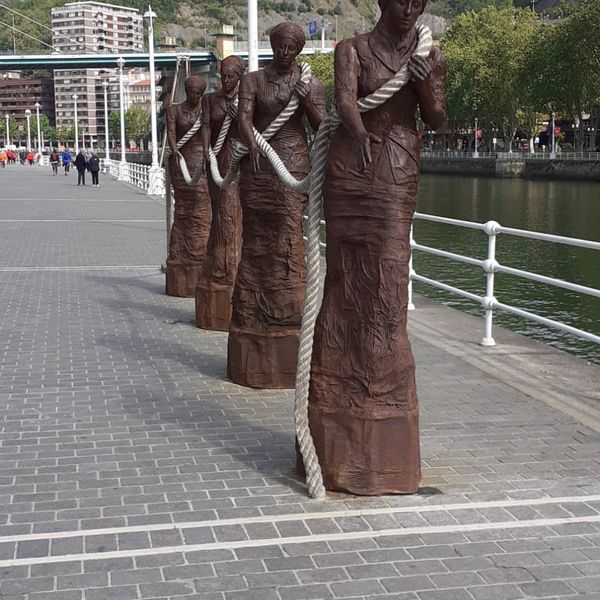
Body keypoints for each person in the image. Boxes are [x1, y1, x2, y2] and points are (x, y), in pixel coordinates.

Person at [306, 0, 446, 494]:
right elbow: (345, 100)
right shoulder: (352, 50)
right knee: (345, 276)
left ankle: (383, 395)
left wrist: (425, 84)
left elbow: (437, 119)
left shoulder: (428, 54)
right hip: (352, 164)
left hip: (397, 167)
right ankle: (338, 390)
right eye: (399, 0)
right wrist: (359, 132)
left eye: (417, 2)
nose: (408, 8)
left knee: (388, 277)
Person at [227, 22, 325, 388]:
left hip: (292, 162)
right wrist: (252, 143)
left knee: (287, 236)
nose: (285, 52)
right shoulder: (252, 81)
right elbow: (244, 118)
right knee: (255, 237)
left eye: (291, 47)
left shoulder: (310, 83)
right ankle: (252, 309)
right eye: (280, 46)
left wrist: (306, 100)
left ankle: (286, 312)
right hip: (258, 165)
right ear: (272, 45)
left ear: (298, 50)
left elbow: (322, 126)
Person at [195, 55, 246, 331]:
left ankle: (229, 268)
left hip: (236, 159)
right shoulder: (210, 101)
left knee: (231, 215)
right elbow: (205, 126)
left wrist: (241, 120)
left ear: (239, 77)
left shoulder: (244, 99)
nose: (226, 81)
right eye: (223, 76)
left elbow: (255, 130)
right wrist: (206, 150)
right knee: (219, 214)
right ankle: (218, 263)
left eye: (231, 77)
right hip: (216, 159)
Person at [165, 75, 212, 297]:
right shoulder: (174, 110)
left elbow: (210, 131)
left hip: (200, 161)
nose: (195, 96)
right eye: (192, 92)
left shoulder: (206, 110)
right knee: (183, 209)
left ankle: (199, 251)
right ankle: (180, 252)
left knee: (202, 204)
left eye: (198, 93)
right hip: (182, 160)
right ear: (186, 91)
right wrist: (175, 151)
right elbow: (171, 133)